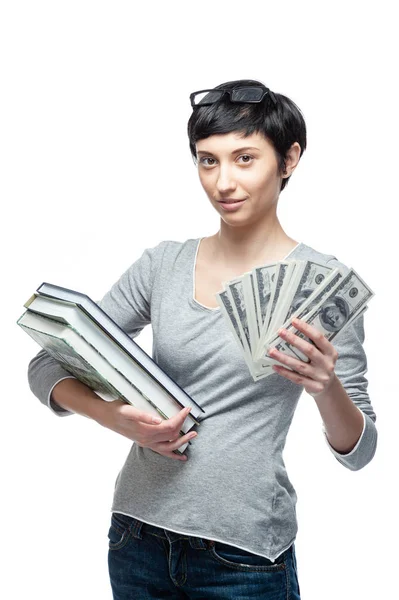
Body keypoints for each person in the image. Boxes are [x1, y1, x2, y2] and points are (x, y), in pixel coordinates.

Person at [28, 79, 378, 600]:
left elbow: (360, 451)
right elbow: (45, 366)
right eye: (207, 161)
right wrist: (112, 416)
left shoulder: (322, 284)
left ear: (289, 160)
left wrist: (326, 388)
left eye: (244, 158)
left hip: (244, 556)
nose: (223, 182)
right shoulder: (163, 265)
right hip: (136, 536)